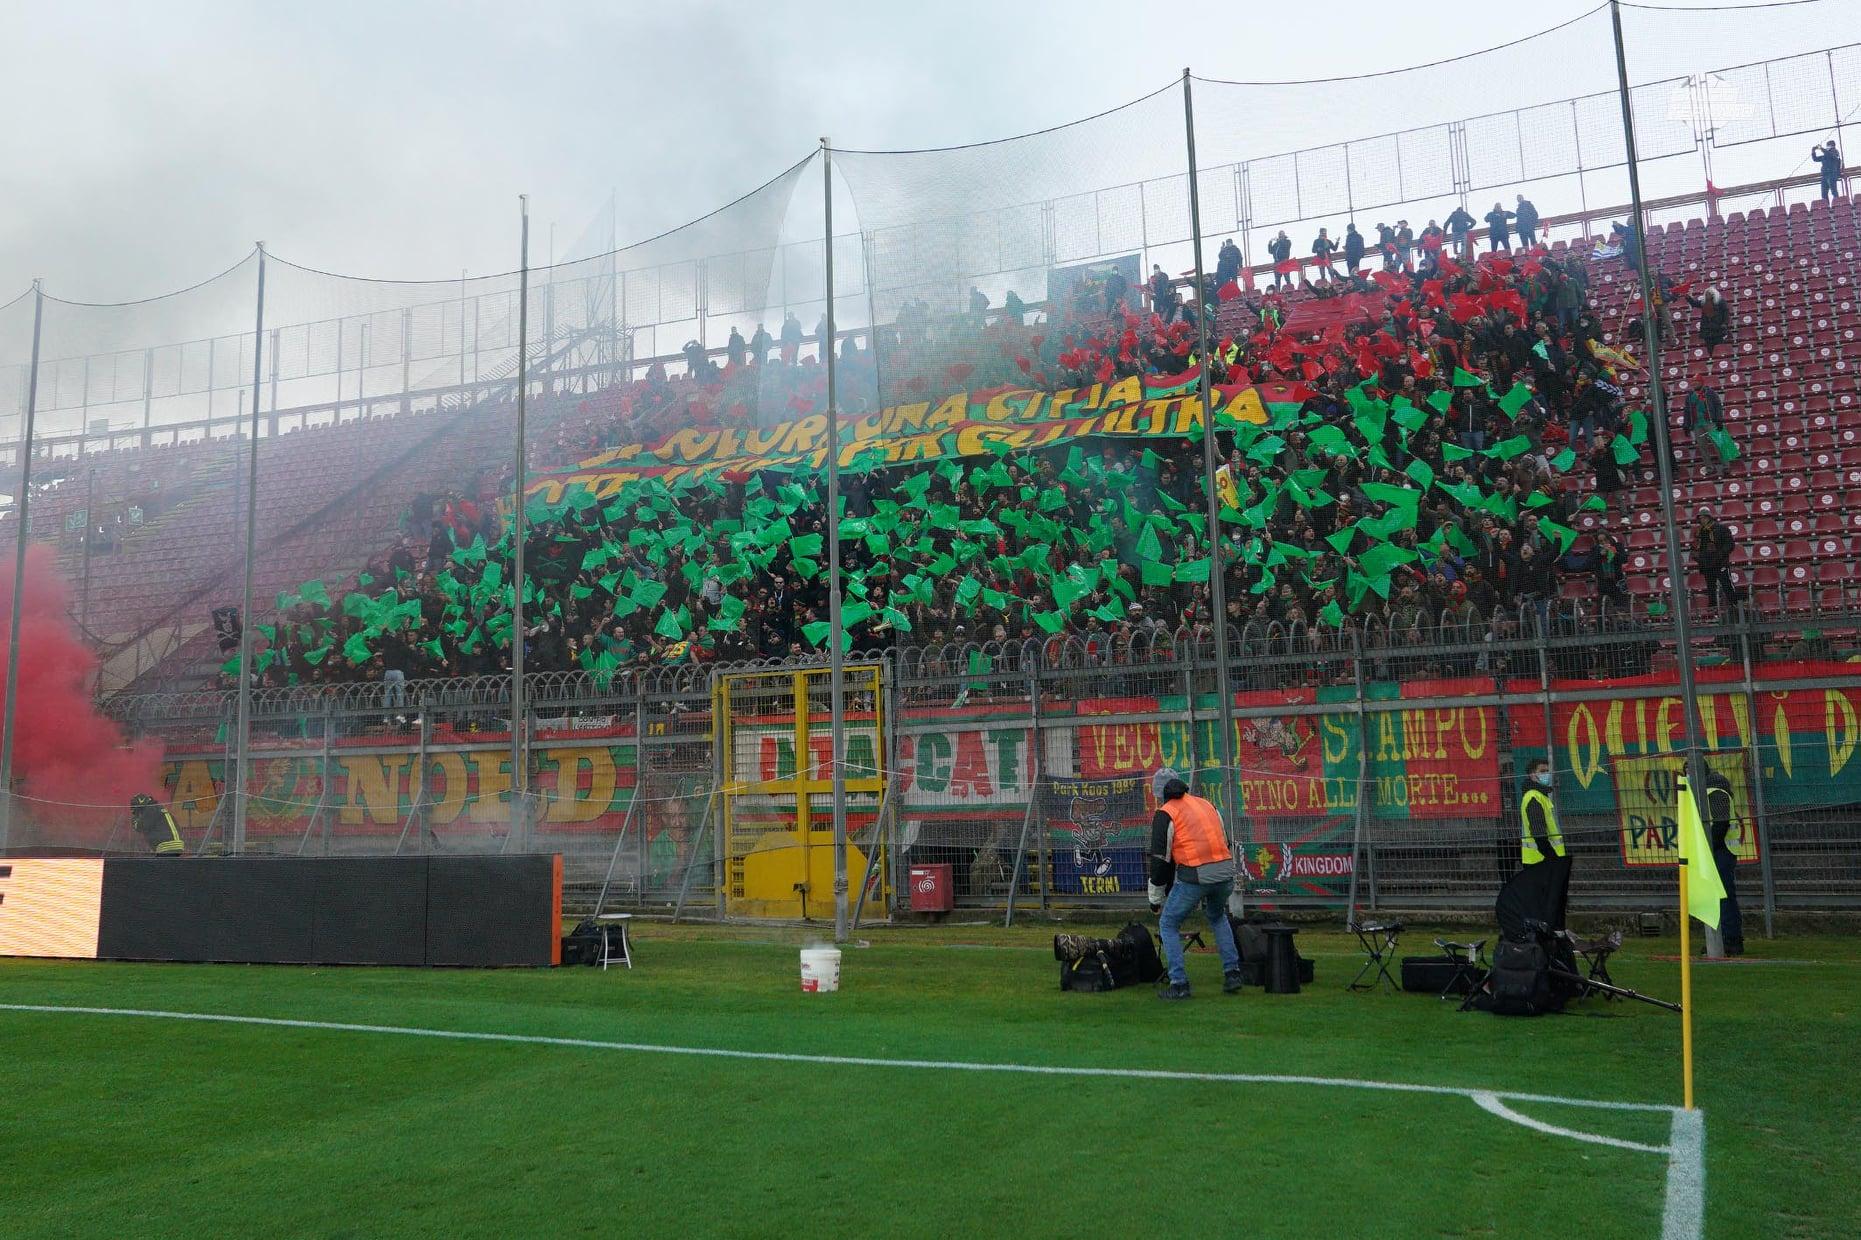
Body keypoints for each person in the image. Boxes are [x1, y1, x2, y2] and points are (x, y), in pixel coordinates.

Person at [1146, 771, 1243, 999]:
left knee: (1168, 924)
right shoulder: (1205, 804)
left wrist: (1155, 899)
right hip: (1225, 872)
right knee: (1217, 916)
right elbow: (1225, 840)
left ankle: (1179, 983)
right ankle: (1233, 972)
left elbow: (1160, 861)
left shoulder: (1166, 813)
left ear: (1160, 794)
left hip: (1195, 876)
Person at [1702, 768, 1745, 956]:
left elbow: (1720, 823)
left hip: (1722, 849)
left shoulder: (1715, 790)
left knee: (1724, 896)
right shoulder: (1706, 789)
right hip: (1719, 849)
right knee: (1716, 896)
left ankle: (1731, 939)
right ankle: (1721, 939)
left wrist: (1710, 847)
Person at [1519, 760, 1565, 866]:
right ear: (1532, 774)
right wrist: (1553, 858)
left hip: (1540, 859)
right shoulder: (1534, 797)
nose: (1547, 774)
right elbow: (1539, 835)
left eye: (1548, 771)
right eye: (1542, 771)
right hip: (1541, 861)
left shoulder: (1540, 795)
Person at [1692, 508, 1738, 613]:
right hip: (1707, 564)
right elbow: (1696, 546)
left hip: (1720, 563)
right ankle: (1712, 609)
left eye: (1703, 517)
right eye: (1700, 518)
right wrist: (1697, 557)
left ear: (1708, 517)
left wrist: (1720, 555)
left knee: (1727, 585)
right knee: (1710, 588)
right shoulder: (1699, 531)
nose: (1701, 520)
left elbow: (1730, 544)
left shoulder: (1721, 529)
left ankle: (1735, 605)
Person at [1690, 285, 1730, 356]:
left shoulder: (1721, 302)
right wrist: (1688, 297)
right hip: (1707, 331)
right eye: (1706, 294)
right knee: (1710, 350)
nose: (1707, 295)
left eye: (1709, 294)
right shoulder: (1703, 303)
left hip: (1718, 330)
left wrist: (1725, 323)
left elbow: (1726, 313)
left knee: (1719, 349)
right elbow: (1694, 303)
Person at [1812, 138, 1843, 202]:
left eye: (1828, 145)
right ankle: (1827, 207)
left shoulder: (1835, 152)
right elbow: (1815, 159)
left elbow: (1830, 155)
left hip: (1832, 174)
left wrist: (1821, 148)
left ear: (1832, 146)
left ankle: (1837, 203)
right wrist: (1813, 151)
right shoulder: (1825, 155)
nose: (1827, 147)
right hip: (1824, 175)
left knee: (1834, 191)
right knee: (1824, 194)